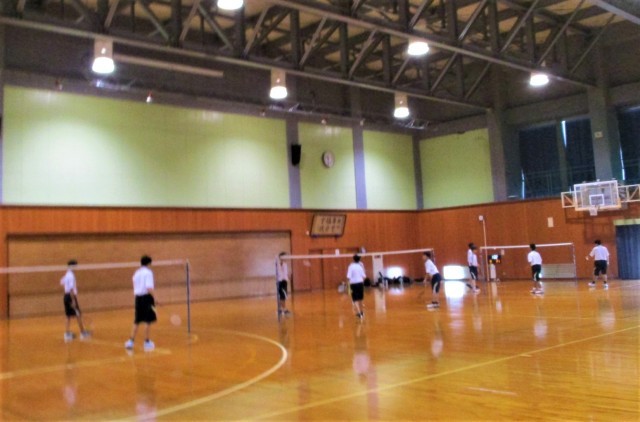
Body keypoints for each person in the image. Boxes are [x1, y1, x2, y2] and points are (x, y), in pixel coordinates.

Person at [125, 255, 157, 351]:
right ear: (149, 263)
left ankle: (130, 341)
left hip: (138, 298)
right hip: (147, 298)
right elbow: (149, 287)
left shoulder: (137, 273)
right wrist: (155, 297)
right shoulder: (148, 273)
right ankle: (147, 342)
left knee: (137, 320)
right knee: (148, 320)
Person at [61, 259, 90, 341]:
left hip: (66, 296)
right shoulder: (71, 276)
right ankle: (83, 332)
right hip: (71, 297)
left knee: (68, 316)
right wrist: (73, 300)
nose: (76, 268)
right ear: (72, 266)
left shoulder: (67, 274)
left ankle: (67, 334)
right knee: (78, 314)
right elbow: (71, 289)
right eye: (75, 266)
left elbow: (61, 282)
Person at [346, 255, 366, 319]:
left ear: (353, 259)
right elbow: (364, 276)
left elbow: (348, 276)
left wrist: (348, 284)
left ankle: (359, 313)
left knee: (355, 299)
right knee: (360, 298)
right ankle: (362, 312)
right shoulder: (360, 267)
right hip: (360, 283)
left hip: (354, 284)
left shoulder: (351, 266)